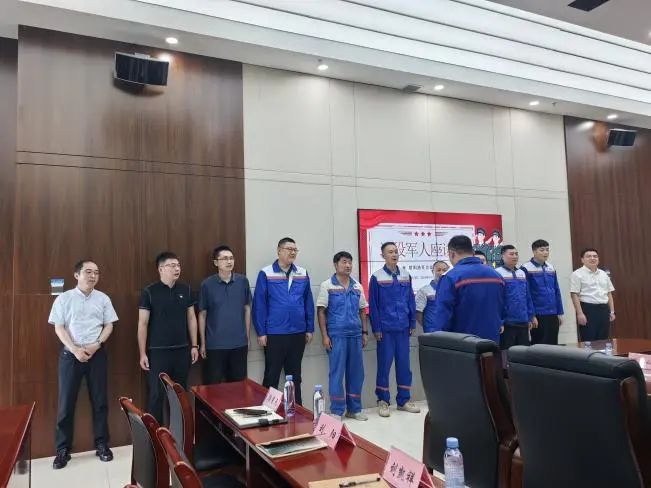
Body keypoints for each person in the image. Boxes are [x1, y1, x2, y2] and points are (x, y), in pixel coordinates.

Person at [48, 259, 118, 469]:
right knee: (66, 404)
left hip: (97, 354)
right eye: (88, 272)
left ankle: (102, 445)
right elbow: (59, 327)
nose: (93, 275)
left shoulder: (103, 298)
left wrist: (97, 345)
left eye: (96, 272)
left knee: (100, 402)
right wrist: (75, 349)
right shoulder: (64, 298)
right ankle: (62, 450)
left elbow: (109, 325)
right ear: (77, 275)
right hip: (71, 356)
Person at [138, 252, 199, 424]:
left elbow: (191, 318)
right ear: (161, 269)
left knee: (179, 394)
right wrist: (142, 353)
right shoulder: (150, 292)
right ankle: (156, 434)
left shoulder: (185, 289)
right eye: (172, 265)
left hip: (182, 350)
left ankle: (180, 433)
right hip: (158, 352)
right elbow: (142, 324)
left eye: (178, 265)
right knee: (156, 395)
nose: (177, 269)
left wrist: (194, 345)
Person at [253, 237, 314, 405]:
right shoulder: (266, 273)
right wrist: (261, 332)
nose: (292, 252)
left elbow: (308, 301)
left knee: (295, 376)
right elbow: (259, 305)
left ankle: (296, 411)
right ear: (279, 251)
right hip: (274, 333)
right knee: (271, 376)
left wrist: (309, 328)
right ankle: (268, 412)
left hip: (297, 332)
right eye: (289, 249)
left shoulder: (302, 273)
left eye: (295, 250)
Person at [369, 242, 420, 418]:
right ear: (383, 256)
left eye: (396, 251)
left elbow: (411, 300)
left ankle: (404, 400)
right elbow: (373, 305)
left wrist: (412, 323)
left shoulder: (406, 275)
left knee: (404, 365)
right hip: (385, 329)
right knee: (384, 365)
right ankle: (383, 400)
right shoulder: (377, 277)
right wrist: (376, 327)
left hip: (403, 328)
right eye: (390, 252)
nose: (394, 254)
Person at [316, 251, 369, 421]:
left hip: (355, 335)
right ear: (336, 264)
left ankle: (354, 409)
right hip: (336, 335)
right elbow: (321, 311)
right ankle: (337, 411)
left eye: (350, 262)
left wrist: (364, 332)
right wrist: (325, 336)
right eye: (344, 262)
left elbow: (362, 310)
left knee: (356, 373)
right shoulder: (327, 285)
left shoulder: (357, 286)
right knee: (337, 373)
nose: (348, 265)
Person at [429, 235, 505, 342]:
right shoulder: (497, 276)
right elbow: (503, 307)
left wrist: (437, 341)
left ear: (452, 253)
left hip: (463, 344)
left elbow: (443, 316)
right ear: (472, 252)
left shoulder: (450, 278)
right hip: (492, 341)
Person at [198, 245, 251, 384]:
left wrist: (246, 336)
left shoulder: (243, 281)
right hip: (215, 345)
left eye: (231, 258)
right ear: (216, 262)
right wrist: (203, 343)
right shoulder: (207, 285)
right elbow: (202, 315)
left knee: (238, 386)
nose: (229, 261)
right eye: (225, 258)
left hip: (239, 344)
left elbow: (247, 309)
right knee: (213, 387)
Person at [521, 239, 564, 345]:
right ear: (534, 251)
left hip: (553, 313)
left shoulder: (551, 267)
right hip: (538, 314)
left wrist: (559, 312)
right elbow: (526, 294)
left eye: (547, 250)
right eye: (542, 250)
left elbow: (556, 290)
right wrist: (531, 315)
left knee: (553, 344)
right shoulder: (526, 268)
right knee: (539, 345)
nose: (545, 252)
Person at [495, 245, 536, 349]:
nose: (515, 256)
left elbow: (527, 296)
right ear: (502, 256)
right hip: (507, 322)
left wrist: (530, 316)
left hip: (523, 320)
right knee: (507, 352)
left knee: (523, 352)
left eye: (516, 254)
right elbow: (496, 300)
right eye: (511, 254)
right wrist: (499, 322)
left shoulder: (521, 273)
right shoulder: (497, 273)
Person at [570, 248, 615, 341]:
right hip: (588, 310)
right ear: (582, 260)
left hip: (603, 309)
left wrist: (612, 311)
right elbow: (574, 295)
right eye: (588, 256)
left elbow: (609, 293)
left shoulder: (603, 274)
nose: (592, 258)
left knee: (603, 339)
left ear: (598, 259)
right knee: (589, 340)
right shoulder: (577, 274)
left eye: (595, 256)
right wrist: (580, 314)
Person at [416, 260, 450, 332]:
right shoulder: (424, 290)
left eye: (444, 270)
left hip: (449, 330)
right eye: (438, 270)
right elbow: (418, 312)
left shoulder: (452, 289)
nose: (441, 273)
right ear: (433, 271)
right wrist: (427, 326)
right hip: (431, 331)